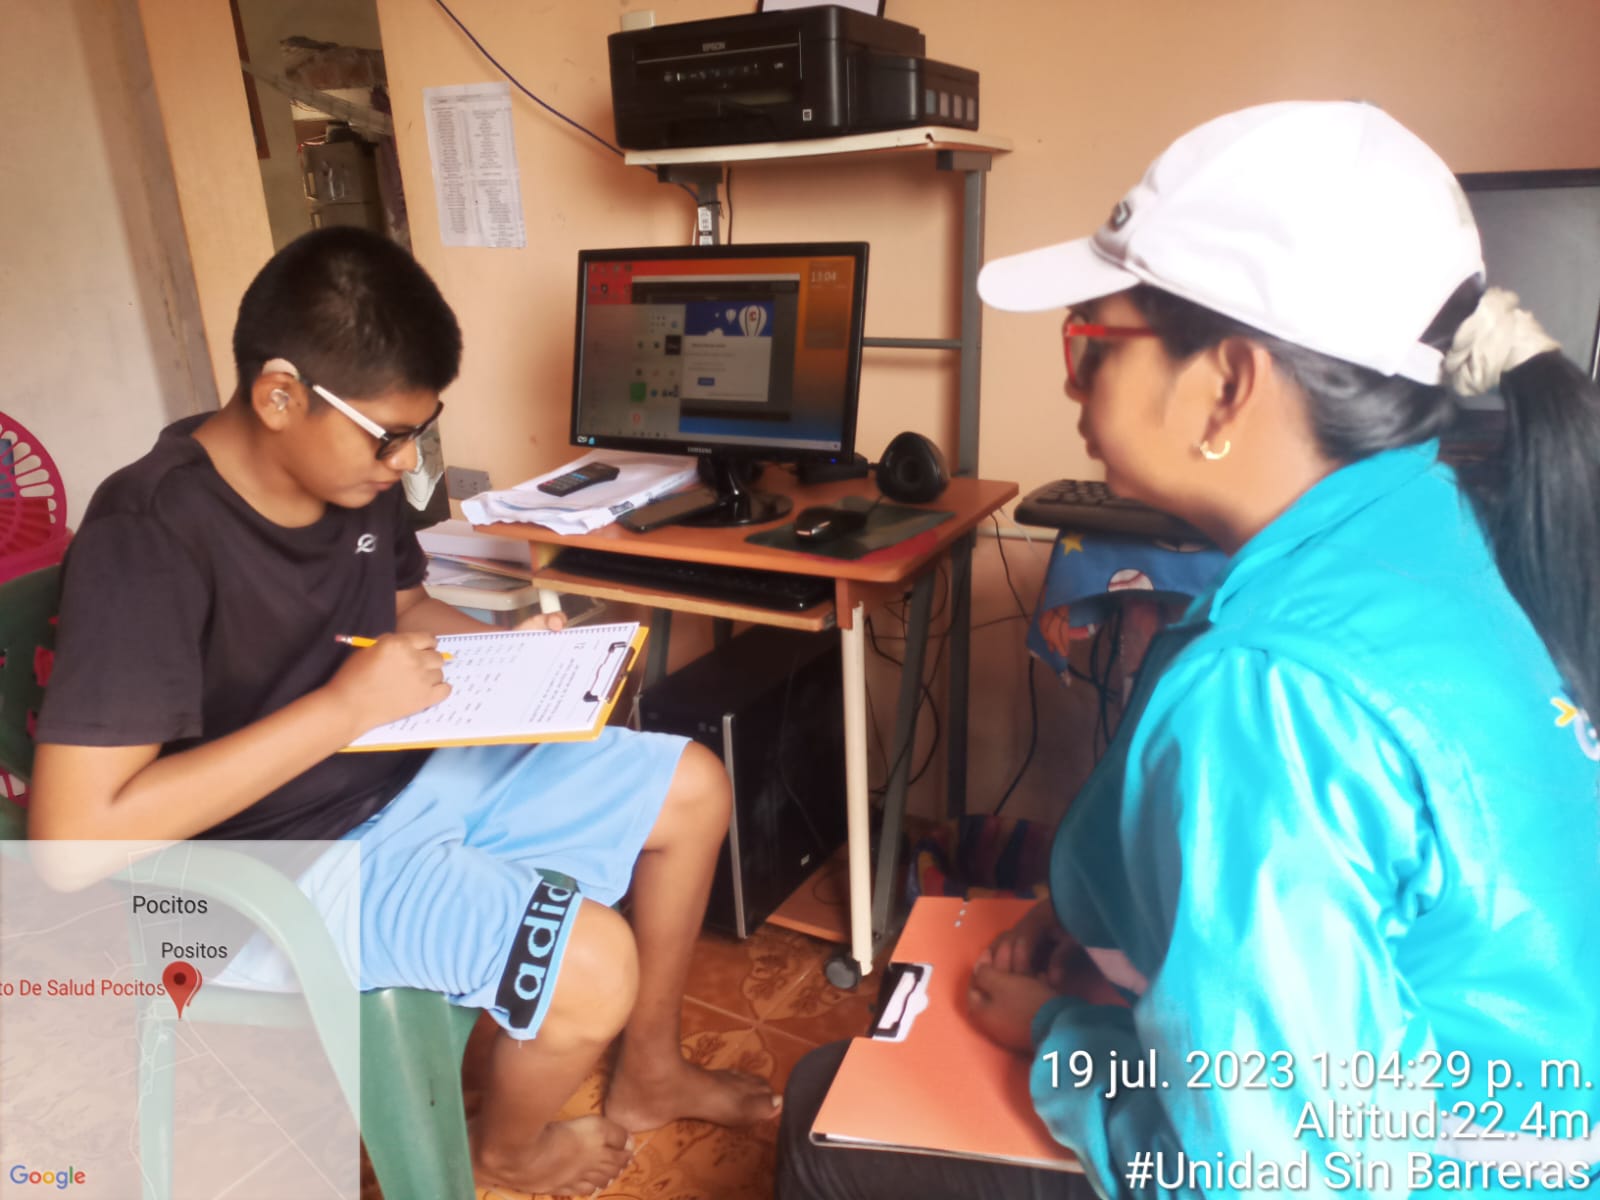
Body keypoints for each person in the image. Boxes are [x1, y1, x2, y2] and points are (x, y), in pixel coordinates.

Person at [778, 100, 1600, 1198]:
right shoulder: (1439, 527)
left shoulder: (1272, 691)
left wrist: (1066, 1040)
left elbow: (1270, 1176)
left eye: (1089, 344)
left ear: (1226, 383)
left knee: (819, 1115)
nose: (1071, 383)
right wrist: (1090, 923)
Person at [30, 226, 780, 1198]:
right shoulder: (149, 538)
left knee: (691, 785)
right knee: (593, 966)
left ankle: (651, 1074)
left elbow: (403, 610)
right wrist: (343, 711)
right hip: (283, 862)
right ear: (280, 394)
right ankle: (505, 1152)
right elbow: (73, 843)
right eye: (389, 435)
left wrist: (514, 654)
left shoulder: (351, 474)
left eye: (419, 432)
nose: (405, 462)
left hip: (404, 769)